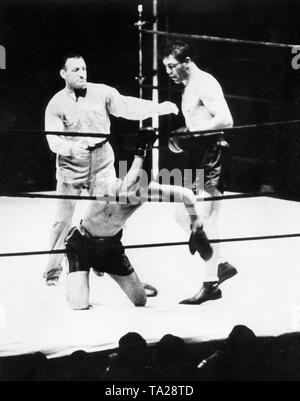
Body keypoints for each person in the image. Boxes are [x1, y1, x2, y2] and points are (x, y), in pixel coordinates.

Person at [43, 53, 178, 285]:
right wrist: (72, 148)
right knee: (62, 219)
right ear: (63, 74)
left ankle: (101, 256)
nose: (82, 73)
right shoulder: (55, 104)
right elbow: (53, 140)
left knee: (110, 208)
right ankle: (52, 271)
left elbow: (129, 107)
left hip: (102, 158)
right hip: (71, 164)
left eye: (84, 68)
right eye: (75, 70)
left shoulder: (102, 92)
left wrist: (160, 108)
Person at [64, 127, 229, 310]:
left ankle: (127, 280)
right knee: (79, 304)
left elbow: (187, 196)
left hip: (110, 247)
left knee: (140, 300)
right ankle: (77, 277)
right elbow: (126, 185)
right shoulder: (107, 185)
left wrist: (196, 225)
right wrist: (140, 151)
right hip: (82, 245)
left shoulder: (146, 191)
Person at [162, 41, 238, 305]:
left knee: (204, 219)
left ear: (187, 61)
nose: (169, 72)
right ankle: (222, 264)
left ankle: (210, 284)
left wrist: (190, 133)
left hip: (214, 152)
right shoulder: (189, 87)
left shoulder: (204, 83)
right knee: (184, 215)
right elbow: (199, 121)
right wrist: (183, 135)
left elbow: (226, 120)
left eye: (172, 66)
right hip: (201, 152)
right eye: (166, 67)